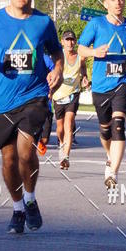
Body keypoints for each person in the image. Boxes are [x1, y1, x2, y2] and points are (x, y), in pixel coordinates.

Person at [0, 0, 63, 235]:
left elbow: (56, 51)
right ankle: (18, 207)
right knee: (9, 159)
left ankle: (30, 198)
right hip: (2, 101)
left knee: (25, 152)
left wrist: (58, 69)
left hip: (34, 95)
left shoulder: (43, 22)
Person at [78, 0, 126, 189]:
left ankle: (113, 172)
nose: (118, 2)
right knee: (105, 129)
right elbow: (80, 49)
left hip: (123, 82)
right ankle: (109, 156)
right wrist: (94, 52)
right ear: (105, 4)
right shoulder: (96, 24)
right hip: (101, 86)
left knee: (118, 124)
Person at [52, 30, 88, 170]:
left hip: (73, 94)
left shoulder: (80, 57)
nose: (70, 43)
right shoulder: (58, 57)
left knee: (69, 124)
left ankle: (66, 157)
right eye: (67, 40)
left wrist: (84, 77)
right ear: (62, 42)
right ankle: (62, 143)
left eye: (72, 40)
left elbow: (83, 68)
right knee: (60, 128)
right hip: (58, 95)